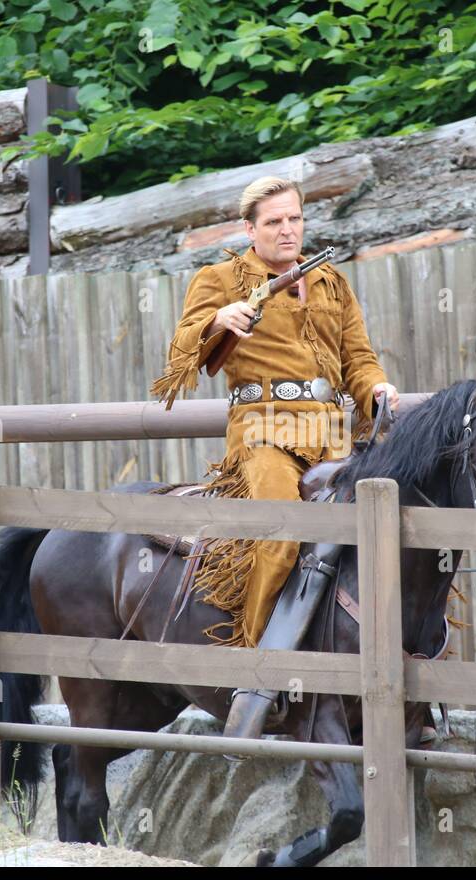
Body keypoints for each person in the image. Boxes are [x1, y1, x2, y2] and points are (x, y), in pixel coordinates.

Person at [150, 176, 399, 737]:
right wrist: (220, 321)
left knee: (383, 542)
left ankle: (400, 684)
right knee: (281, 535)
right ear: (249, 229)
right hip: (263, 432)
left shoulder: (331, 280)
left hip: (333, 434)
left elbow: (358, 359)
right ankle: (258, 675)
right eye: (273, 222)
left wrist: (379, 390)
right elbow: (182, 349)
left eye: (294, 219)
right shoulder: (221, 278)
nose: (287, 230)